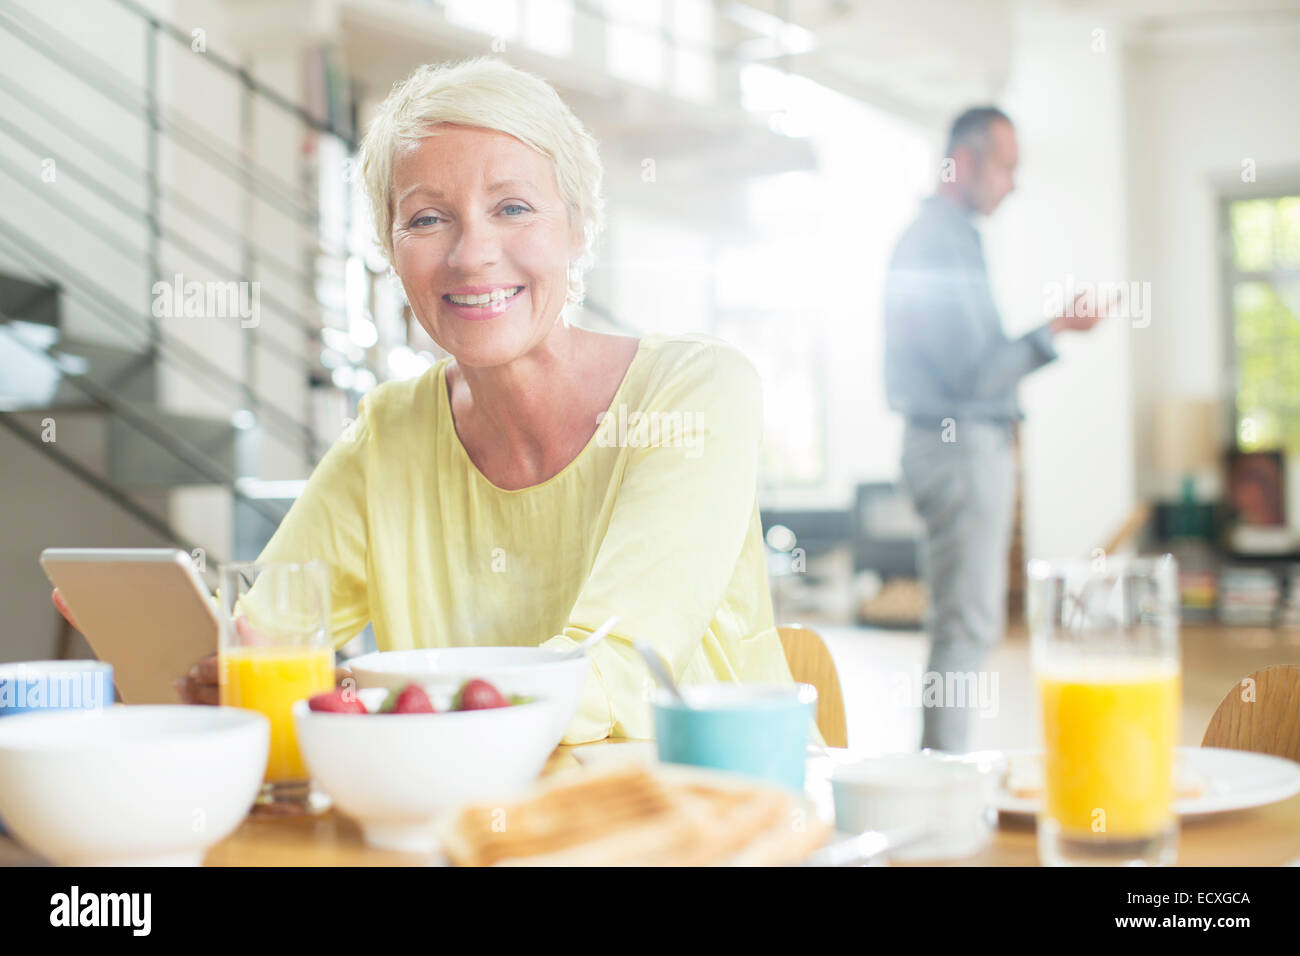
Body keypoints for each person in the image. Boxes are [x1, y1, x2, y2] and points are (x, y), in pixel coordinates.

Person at [55, 58, 801, 744]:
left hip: (698, 821)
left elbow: (613, 671)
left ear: (578, 229)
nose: (471, 253)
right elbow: (264, 645)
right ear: (390, 250)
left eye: (512, 208)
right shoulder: (390, 433)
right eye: (427, 218)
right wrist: (184, 658)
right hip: (451, 828)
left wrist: (350, 689)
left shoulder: (698, 393)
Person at [883, 106, 1106, 753]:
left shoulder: (948, 239)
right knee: (966, 626)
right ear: (967, 161)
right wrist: (1056, 329)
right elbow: (974, 375)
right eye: (1007, 166)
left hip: (952, 447)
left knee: (961, 623)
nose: (1013, 183)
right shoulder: (938, 241)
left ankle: (940, 773)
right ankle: (942, 781)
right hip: (958, 450)